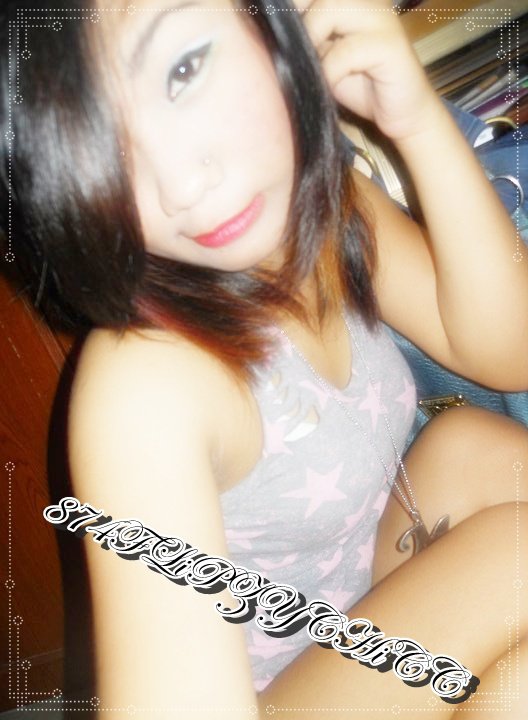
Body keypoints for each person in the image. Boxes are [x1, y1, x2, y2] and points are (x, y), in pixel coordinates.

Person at [1, 0, 528, 716]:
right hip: (270, 698)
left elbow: (507, 352)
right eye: (99, 145)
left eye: (182, 69)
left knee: (471, 446)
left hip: (348, 608)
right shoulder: (144, 386)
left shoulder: (326, 207)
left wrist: (416, 122)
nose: (182, 185)